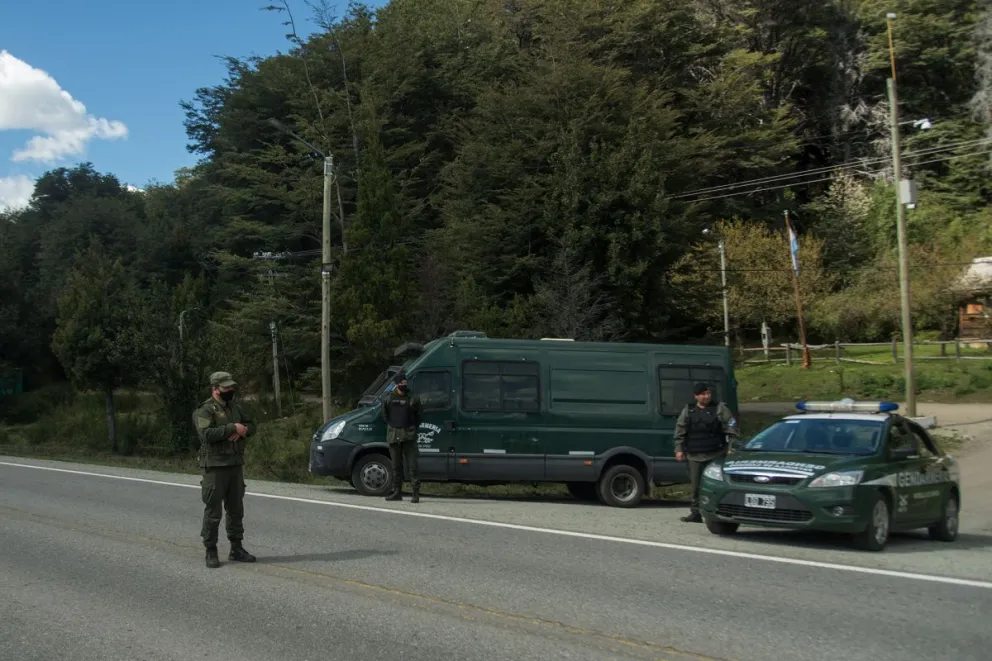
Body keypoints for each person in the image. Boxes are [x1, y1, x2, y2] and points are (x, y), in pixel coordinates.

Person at [192, 371, 258, 568]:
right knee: (213, 511)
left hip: (235, 465)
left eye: (231, 387)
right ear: (215, 388)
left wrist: (243, 431)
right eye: (226, 387)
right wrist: (232, 428)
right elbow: (206, 435)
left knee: (236, 508)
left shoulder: (235, 408)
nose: (230, 390)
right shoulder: (205, 410)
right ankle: (210, 549)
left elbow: (251, 425)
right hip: (215, 467)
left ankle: (236, 547)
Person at [673, 382, 739, 523]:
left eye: (708, 393)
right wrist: (678, 449)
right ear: (696, 396)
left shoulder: (720, 409)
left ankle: (718, 512)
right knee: (696, 486)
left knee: (716, 485)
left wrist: (731, 447)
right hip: (695, 455)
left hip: (715, 454)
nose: (706, 396)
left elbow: (732, 428)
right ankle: (695, 512)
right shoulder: (688, 410)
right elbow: (680, 431)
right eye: (703, 394)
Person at [381, 372, 423, 503]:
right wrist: (395, 426)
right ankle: (397, 492)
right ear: (396, 384)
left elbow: (419, 416)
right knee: (396, 467)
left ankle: (415, 493)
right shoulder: (387, 398)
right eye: (402, 383)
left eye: (405, 383)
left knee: (413, 466)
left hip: (409, 436)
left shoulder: (413, 398)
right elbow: (385, 416)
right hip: (394, 436)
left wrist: (411, 427)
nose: (404, 385)